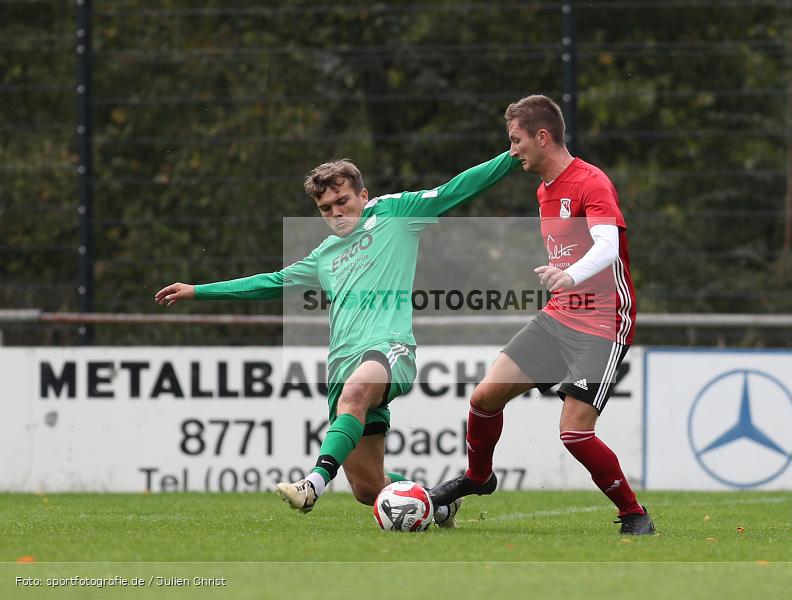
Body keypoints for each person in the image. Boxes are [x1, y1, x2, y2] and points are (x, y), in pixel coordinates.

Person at [156, 151, 520, 527]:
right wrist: (198, 291)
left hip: (389, 347)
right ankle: (437, 504)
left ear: (363, 195)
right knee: (367, 488)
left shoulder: (395, 214)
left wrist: (512, 157)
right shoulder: (324, 255)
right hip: (342, 364)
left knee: (356, 392)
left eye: (342, 201)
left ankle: (311, 484)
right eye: (325, 208)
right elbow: (268, 283)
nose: (336, 213)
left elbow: (455, 189)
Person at [429, 95, 655, 535]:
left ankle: (634, 514)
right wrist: (565, 284)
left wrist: (570, 276)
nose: (512, 150)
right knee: (483, 400)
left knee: (574, 433)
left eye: (516, 141)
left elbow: (607, 247)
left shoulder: (592, 182)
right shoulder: (544, 189)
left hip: (603, 322)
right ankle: (479, 478)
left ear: (543, 136)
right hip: (558, 317)